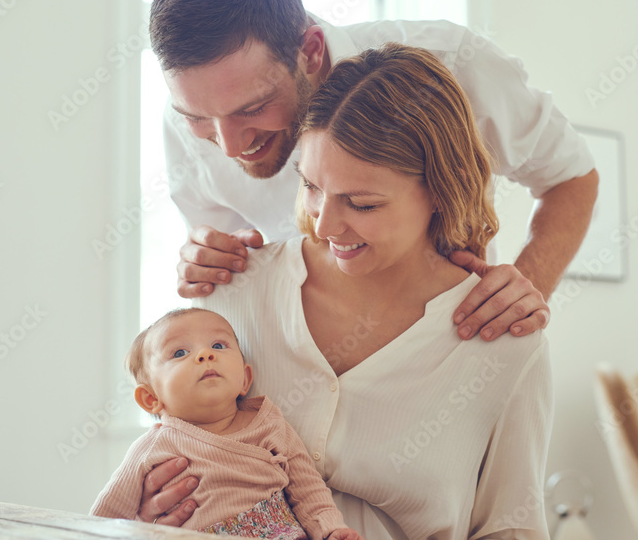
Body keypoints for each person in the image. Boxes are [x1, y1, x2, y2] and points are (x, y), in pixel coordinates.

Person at [138, 45, 553, 539]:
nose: (325, 224)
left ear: (443, 190)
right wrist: (149, 511)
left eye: (361, 202)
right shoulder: (229, 296)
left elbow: (512, 529)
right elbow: (168, 454)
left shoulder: (504, 343)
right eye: (312, 186)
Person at [154, 0, 598, 342]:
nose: (229, 147)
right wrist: (206, 258)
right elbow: (230, 258)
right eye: (197, 117)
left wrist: (524, 287)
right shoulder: (183, 128)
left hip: (447, 348)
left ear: (309, 50)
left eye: (253, 108)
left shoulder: (452, 66)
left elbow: (571, 177)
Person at [90, 307, 363, 540]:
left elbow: (308, 491)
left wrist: (330, 530)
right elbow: (105, 517)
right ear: (151, 398)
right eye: (180, 352)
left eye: (218, 346)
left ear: (245, 379)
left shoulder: (270, 424)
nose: (205, 355)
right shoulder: (153, 447)